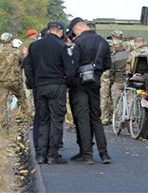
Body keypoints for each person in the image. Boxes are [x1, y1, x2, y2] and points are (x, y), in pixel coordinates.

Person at [24, 22, 73, 164]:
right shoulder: (62, 46)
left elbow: (27, 66)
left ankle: (40, 154)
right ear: (61, 31)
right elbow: (69, 69)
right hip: (57, 85)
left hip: (40, 86)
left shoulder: (35, 46)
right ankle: (53, 154)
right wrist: (68, 84)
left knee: (43, 119)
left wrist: (34, 83)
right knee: (56, 119)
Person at [66, 17, 112, 165]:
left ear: (77, 29)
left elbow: (73, 65)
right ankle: (104, 154)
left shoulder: (78, 43)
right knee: (96, 117)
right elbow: (107, 64)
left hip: (79, 83)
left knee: (82, 118)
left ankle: (87, 154)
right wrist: (96, 73)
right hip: (95, 82)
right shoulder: (103, 42)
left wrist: (70, 82)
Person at [0, 33, 28, 128]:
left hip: (2, 82)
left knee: (2, 104)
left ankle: (4, 126)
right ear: (11, 40)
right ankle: (31, 120)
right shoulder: (17, 52)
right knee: (23, 100)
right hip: (16, 82)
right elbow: (25, 63)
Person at [110, 39, 129, 113]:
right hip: (129, 81)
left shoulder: (114, 57)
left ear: (114, 47)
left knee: (116, 102)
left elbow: (111, 72)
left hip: (118, 81)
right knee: (130, 101)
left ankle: (118, 120)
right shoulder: (130, 54)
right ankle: (132, 117)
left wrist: (111, 81)